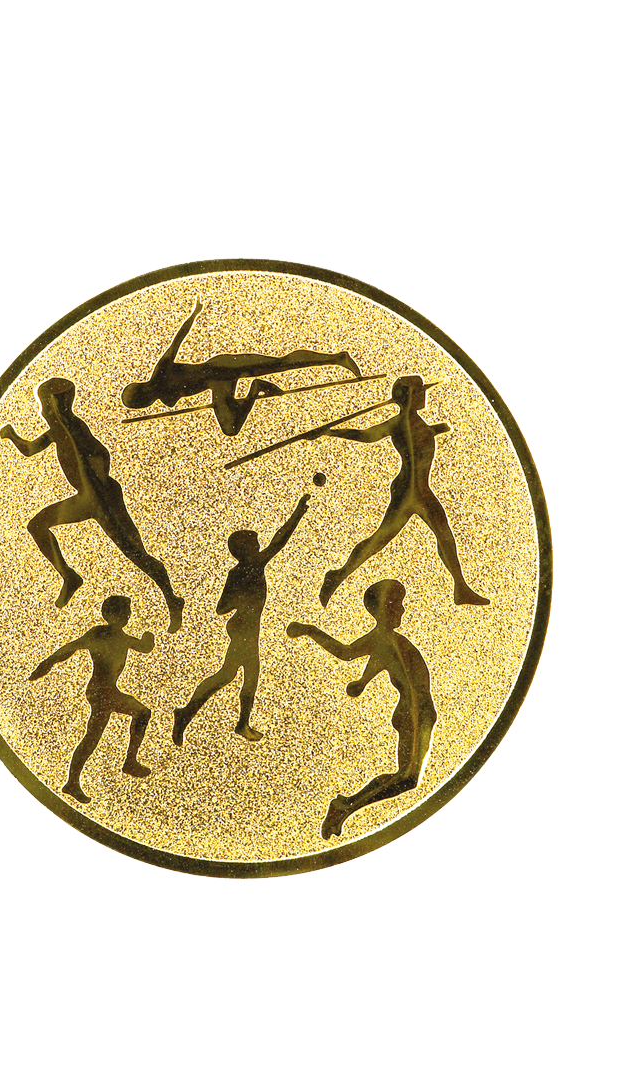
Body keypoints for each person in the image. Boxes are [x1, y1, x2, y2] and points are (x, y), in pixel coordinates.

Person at [0, 378, 184, 632]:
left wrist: (96, 480)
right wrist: (12, 436)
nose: (42, 412)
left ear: (57, 407)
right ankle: (69, 576)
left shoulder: (74, 428)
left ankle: (172, 598)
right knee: (37, 525)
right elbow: (30, 449)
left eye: (45, 406)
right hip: (85, 499)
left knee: (136, 553)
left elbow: (101, 454)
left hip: (101, 497)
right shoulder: (57, 432)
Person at [318, 375, 489, 608]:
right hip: (408, 490)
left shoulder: (415, 423)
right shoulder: (401, 423)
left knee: (444, 535)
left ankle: (461, 588)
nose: (424, 395)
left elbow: (418, 443)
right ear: (408, 396)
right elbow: (367, 436)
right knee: (379, 540)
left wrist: (435, 430)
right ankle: (337, 575)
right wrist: (331, 432)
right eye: (419, 391)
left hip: (421, 489)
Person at [287, 580, 437, 839]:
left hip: (420, 713)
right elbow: (345, 652)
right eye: (397, 605)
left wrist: (362, 681)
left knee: (407, 778)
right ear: (383, 610)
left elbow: (383, 660)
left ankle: (346, 805)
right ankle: (345, 807)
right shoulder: (383, 638)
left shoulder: (388, 640)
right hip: (412, 712)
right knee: (407, 777)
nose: (402, 610)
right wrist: (311, 631)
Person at [173, 493, 310, 745]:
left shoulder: (248, 568)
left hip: (247, 628)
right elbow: (221, 607)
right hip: (243, 628)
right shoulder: (246, 568)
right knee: (241, 675)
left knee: (230, 675)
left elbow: (279, 541)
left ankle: (193, 714)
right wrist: (298, 513)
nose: (259, 546)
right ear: (245, 549)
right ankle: (233, 721)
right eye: (255, 543)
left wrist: (298, 514)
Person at [121, 298, 362, 437]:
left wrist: (194, 314)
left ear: (144, 389)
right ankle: (255, 388)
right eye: (145, 403)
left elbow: (177, 341)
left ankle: (337, 358)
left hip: (220, 367)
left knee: (280, 364)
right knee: (231, 428)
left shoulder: (161, 372)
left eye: (144, 398)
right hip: (218, 385)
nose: (149, 400)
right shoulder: (164, 398)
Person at [30, 595, 155, 804]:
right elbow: (72, 647)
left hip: (108, 691)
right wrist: (48, 663)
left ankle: (76, 781)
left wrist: (148, 638)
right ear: (108, 614)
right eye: (122, 612)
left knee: (95, 735)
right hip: (100, 691)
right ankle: (127, 762)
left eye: (128, 613)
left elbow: (144, 647)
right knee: (135, 715)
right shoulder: (99, 633)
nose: (127, 616)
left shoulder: (123, 638)